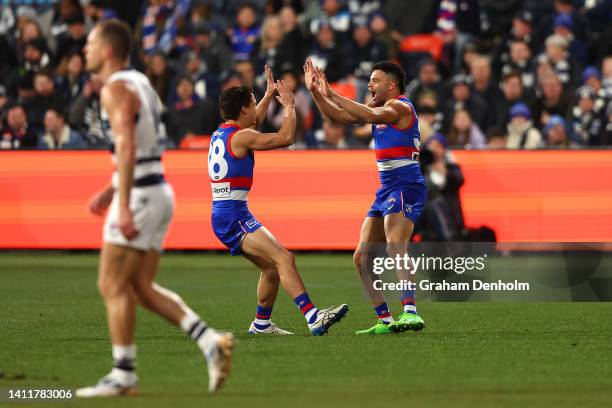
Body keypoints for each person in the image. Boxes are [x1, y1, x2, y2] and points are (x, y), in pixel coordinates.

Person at [76, 19, 233, 398]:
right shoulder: (141, 82)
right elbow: (142, 147)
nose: (85, 50)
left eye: (91, 44)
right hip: (157, 188)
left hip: (141, 194)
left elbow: (128, 147)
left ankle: (123, 374)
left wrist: (123, 202)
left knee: (111, 284)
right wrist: (111, 189)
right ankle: (209, 340)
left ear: (108, 50)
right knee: (140, 287)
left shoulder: (114, 89)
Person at [209, 65, 349, 336]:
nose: (256, 110)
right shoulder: (243, 136)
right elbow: (285, 137)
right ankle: (313, 316)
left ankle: (261, 324)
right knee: (284, 258)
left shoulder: (222, 133)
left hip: (227, 212)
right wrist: (289, 106)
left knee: (271, 268)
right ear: (243, 111)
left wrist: (266, 94)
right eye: (252, 104)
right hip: (233, 215)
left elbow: (253, 119)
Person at [304, 59, 426, 335]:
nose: (369, 85)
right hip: (386, 188)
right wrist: (315, 92)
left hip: (406, 184)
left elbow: (365, 116)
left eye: (375, 80)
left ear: (391, 85)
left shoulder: (400, 106)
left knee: (396, 245)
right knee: (362, 258)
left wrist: (331, 92)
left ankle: (410, 312)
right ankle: (384, 320)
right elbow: (338, 117)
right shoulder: (378, 108)